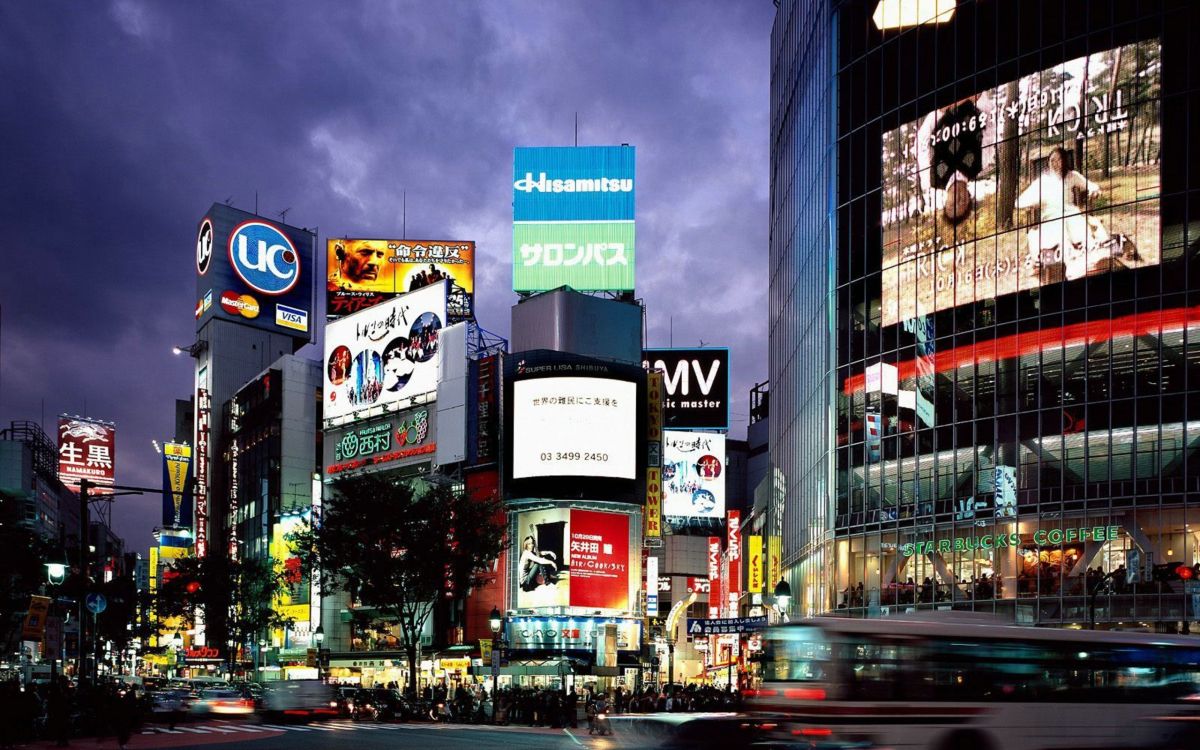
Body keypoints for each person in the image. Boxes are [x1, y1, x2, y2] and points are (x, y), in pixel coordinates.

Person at [1017, 146, 1109, 280]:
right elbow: (1019, 201)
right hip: (1051, 216)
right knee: (1060, 229)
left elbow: (1091, 185)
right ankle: (1072, 265)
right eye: (1052, 160)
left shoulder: (1071, 176)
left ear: (1064, 161)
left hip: (1071, 212)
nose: (1055, 164)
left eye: (1059, 160)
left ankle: (1093, 260)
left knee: (1082, 226)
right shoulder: (1042, 181)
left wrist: (1094, 190)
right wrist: (1032, 203)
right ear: (1048, 162)